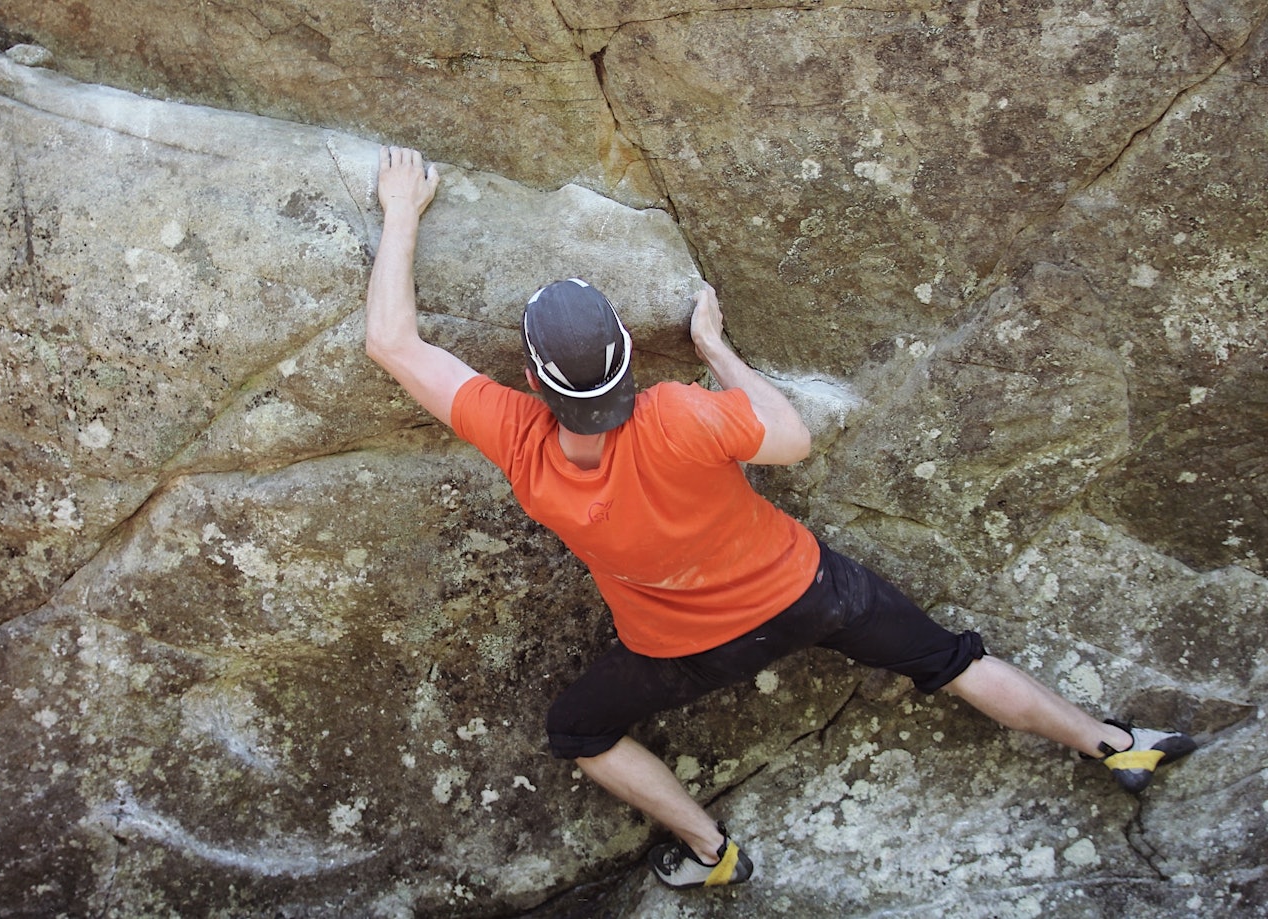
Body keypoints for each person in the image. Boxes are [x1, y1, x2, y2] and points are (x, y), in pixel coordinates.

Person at [364, 146, 1197, 889]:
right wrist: (719, 350)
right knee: (951, 658)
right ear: (625, 348)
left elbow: (394, 344)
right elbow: (791, 438)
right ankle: (1115, 743)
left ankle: (708, 848)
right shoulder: (682, 413)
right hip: (810, 590)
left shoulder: (520, 443)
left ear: (535, 382)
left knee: (577, 729)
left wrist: (402, 209)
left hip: (684, 652)